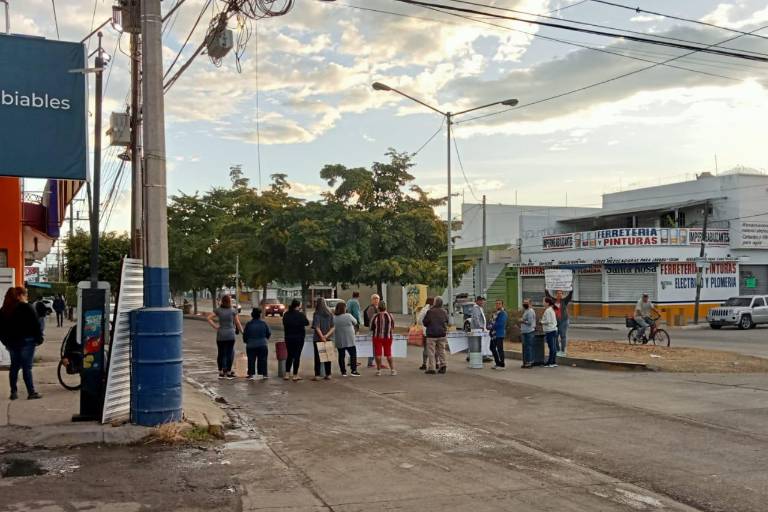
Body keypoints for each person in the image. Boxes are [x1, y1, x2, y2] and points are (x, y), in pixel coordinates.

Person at [0, 287, 43, 400]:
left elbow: (1, 329)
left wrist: (5, 342)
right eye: (25, 294)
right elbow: (36, 324)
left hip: (12, 343)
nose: (26, 296)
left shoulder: (4, 310)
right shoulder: (27, 307)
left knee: (14, 366)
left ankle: (13, 392)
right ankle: (31, 392)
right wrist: (39, 339)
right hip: (27, 341)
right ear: (19, 296)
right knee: (26, 367)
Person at [207, 294, 243, 380]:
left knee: (221, 353)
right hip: (230, 335)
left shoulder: (218, 310)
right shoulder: (233, 311)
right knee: (229, 353)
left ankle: (221, 371)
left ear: (222, 301)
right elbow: (237, 323)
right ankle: (229, 372)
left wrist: (215, 326)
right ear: (229, 301)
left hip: (221, 335)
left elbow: (208, 318)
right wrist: (243, 332)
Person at [282, 299, 309, 381]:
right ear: (298, 306)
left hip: (288, 337)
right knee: (297, 356)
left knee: (289, 355)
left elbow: (284, 323)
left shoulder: (286, 314)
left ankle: (287, 374)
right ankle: (295, 375)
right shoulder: (300, 315)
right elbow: (307, 323)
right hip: (299, 338)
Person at [242, 308, 271, 380]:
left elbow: (245, 335)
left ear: (252, 315)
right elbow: (268, 333)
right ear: (259, 315)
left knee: (251, 360)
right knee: (263, 359)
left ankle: (251, 374)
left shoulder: (249, 324)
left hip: (251, 345)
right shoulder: (263, 323)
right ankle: (264, 374)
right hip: (262, 344)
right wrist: (265, 339)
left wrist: (246, 341)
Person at [422, 296, 449, 374]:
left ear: (435, 303)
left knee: (431, 351)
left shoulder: (430, 312)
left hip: (432, 334)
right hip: (442, 334)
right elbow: (447, 321)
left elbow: (425, 322)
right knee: (442, 350)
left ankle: (432, 368)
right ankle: (443, 365)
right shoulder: (444, 312)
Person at [333, 302, 360, 377]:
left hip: (339, 339)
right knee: (353, 354)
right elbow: (355, 322)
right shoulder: (348, 316)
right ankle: (353, 370)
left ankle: (343, 372)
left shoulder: (334, 318)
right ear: (344, 308)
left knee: (341, 356)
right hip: (349, 339)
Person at [311, 297, 335, 381]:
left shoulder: (316, 314)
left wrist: (322, 337)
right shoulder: (330, 313)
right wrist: (326, 336)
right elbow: (333, 327)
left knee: (317, 357)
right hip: (328, 338)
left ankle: (317, 375)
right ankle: (328, 374)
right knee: (328, 357)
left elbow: (317, 327)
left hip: (318, 338)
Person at [371, 301, 396, 376]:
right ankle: (392, 370)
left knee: (378, 354)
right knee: (388, 353)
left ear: (378, 308)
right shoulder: (390, 315)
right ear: (386, 307)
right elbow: (392, 326)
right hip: (388, 337)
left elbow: (372, 327)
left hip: (377, 337)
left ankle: (379, 370)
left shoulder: (375, 316)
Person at [546, 289, 573, 357]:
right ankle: (558, 350)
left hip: (563, 321)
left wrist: (571, 289)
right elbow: (548, 296)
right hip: (555, 321)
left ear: (562, 295)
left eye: (561, 293)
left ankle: (563, 351)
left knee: (563, 336)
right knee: (555, 336)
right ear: (556, 295)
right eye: (558, 293)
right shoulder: (553, 301)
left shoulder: (564, 301)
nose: (559, 294)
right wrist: (546, 289)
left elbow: (569, 296)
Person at [363, 293, 381, 368]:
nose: (376, 300)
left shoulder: (377, 307)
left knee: (376, 346)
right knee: (372, 346)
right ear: (372, 300)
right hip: (372, 330)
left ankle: (374, 361)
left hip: (376, 329)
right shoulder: (371, 308)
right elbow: (372, 319)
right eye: (375, 299)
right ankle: (370, 362)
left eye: (377, 299)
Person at [417, 297, 434, 370]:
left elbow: (419, 320)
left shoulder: (424, 310)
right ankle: (437, 363)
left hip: (426, 332)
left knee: (426, 348)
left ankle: (424, 364)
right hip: (437, 332)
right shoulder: (438, 309)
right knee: (436, 348)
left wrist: (424, 325)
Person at [490, 299, 508, 369]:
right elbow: (491, 321)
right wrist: (489, 326)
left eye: (499, 303)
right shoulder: (495, 313)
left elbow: (500, 323)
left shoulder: (503, 313)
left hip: (499, 334)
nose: (497, 305)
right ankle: (497, 363)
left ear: (502, 305)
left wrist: (491, 326)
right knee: (492, 347)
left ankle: (502, 364)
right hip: (494, 334)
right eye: (496, 303)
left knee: (500, 349)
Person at [541, 297, 559, 368]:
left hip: (550, 331)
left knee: (551, 347)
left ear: (547, 303)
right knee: (553, 347)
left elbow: (547, 321)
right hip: (553, 330)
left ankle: (550, 362)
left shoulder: (548, 310)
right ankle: (553, 362)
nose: (543, 303)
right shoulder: (551, 309)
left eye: (543, 301)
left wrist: (541, 322)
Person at [520, 299, 536, 368]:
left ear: (530, 303)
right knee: (525, 348)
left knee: (528, 347)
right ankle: (525, 362)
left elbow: (530, 322)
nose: (524, 304)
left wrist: (522, 321)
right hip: (524, 332)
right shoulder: (526, 311)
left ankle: (529, 362)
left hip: (529, 332)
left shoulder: (530, 311)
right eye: (524, 302)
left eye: (526, 302)